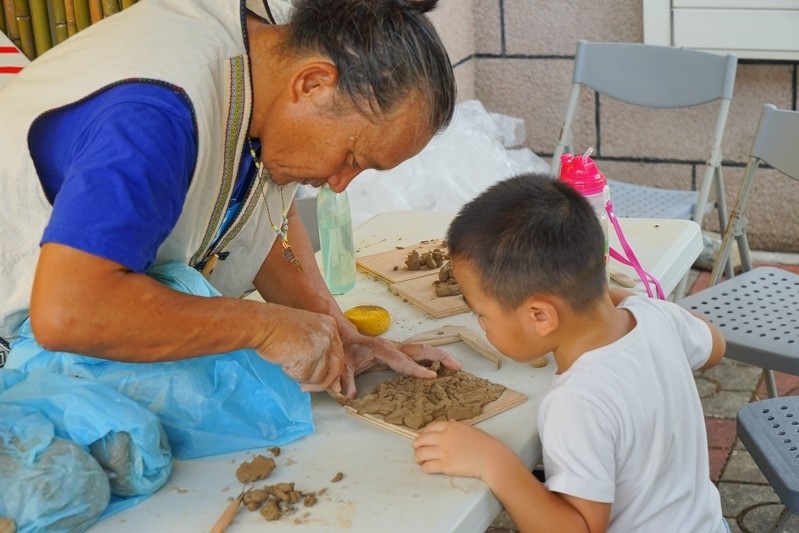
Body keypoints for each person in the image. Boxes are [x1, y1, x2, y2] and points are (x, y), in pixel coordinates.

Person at [0, 0, 462, 526]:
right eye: (353, 157)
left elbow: (252, 208)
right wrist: (263, 327)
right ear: (313, 84)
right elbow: (70, 312)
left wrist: (337, 333)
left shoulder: (266, 59)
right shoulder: (152, 115)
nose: (340, 182)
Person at [412, 173, 728, 532]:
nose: (480, 324)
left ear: (541, 317)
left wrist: (496, 463)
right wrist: (600, 299)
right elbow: (715, 345)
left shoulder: (575, 403)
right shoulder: (656, 317)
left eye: (481, 314)